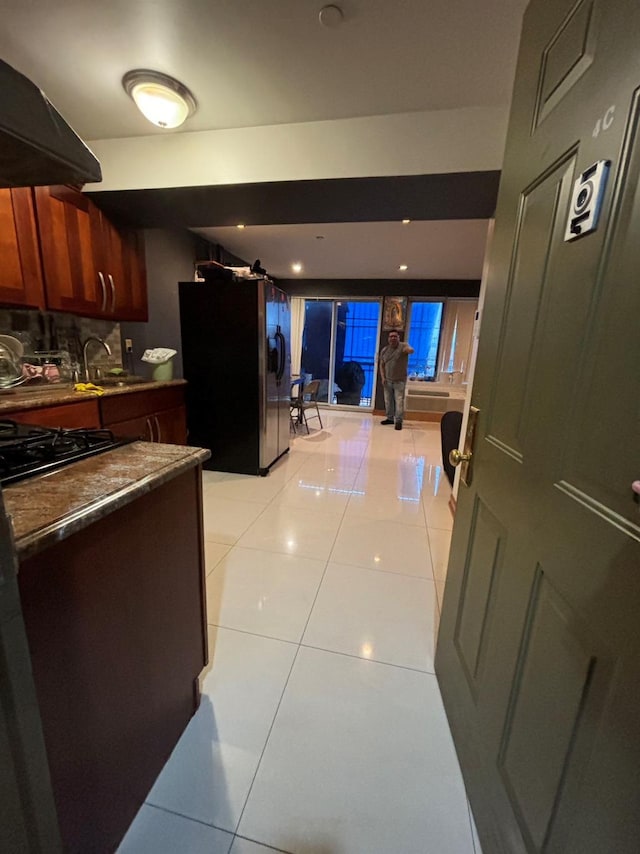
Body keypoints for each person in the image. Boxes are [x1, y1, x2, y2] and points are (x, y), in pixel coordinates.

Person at [378, 331, 414, 430]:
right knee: (388, 401)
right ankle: (390, 418)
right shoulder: (384, 350)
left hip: (399, 381)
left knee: (399, 401)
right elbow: (381, 365)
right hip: (387, 381)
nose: (393, 338)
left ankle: (398, 421)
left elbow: (411, 350)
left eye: (395, 336)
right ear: (388, 339)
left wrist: (408, 349)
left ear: (398, 337)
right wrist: (383, 377)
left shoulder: (403, 346)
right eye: (391, 336)